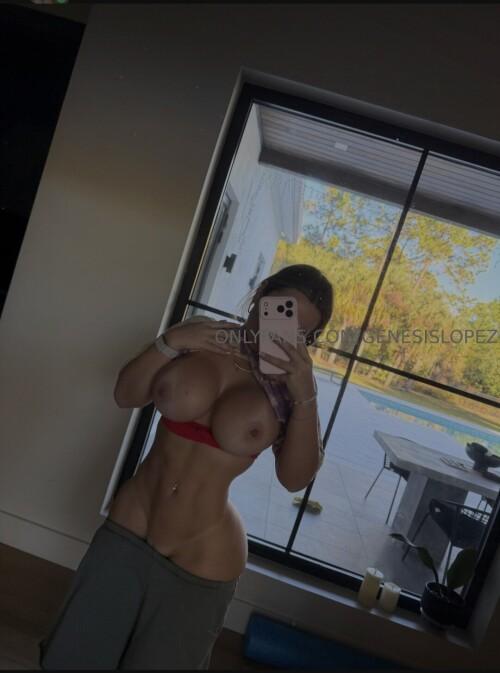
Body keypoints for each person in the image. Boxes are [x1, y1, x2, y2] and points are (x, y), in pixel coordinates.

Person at [38, 263, 334, 670]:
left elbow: (295, 479)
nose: (281, 330)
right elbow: (125, 395)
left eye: (299, 331)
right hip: (130, 525)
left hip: (206, 555)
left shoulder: (288, 390)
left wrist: (307, 395)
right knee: (73, 658)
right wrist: (171, 341)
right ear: (263, 294)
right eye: (282, 310)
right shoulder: (200, 338)